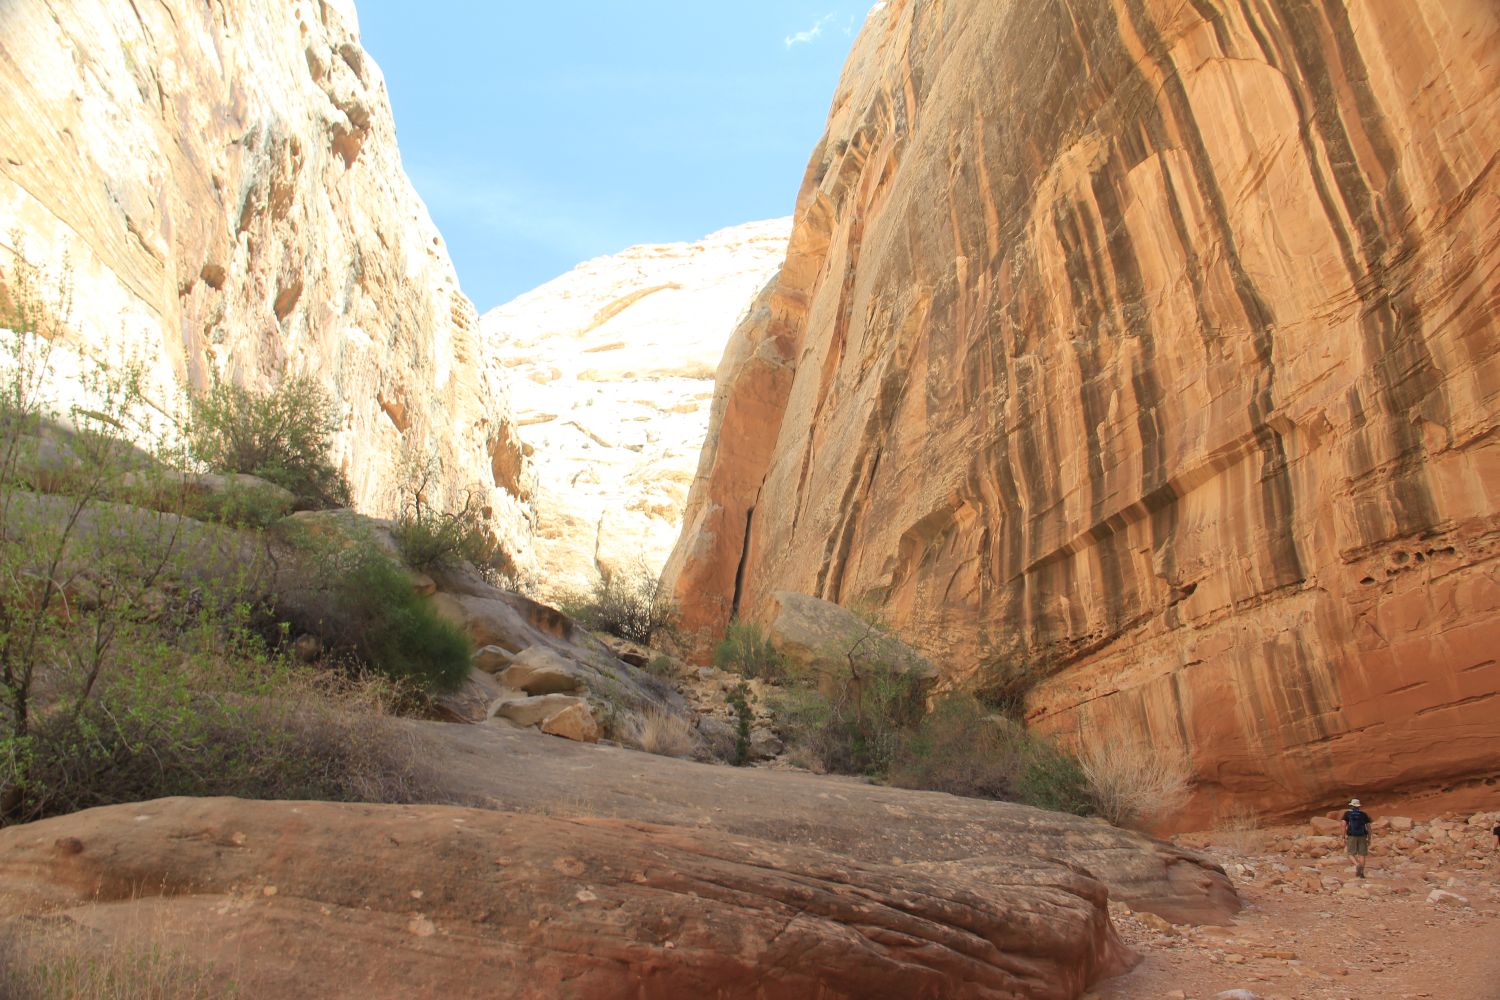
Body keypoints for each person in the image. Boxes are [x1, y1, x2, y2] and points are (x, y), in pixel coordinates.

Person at [1342, 798, 1372, 878]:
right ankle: (1361, 873)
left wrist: (1343, 836)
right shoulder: (1364, 814)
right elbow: (1368, 827)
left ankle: (1357, 864)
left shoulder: (1347, 814)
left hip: (1352, 835)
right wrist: (1369, 837)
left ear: (1351, 806)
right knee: (1362, 854)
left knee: (1350, 853)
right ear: (1359, 806)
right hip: (1362, 835)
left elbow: (1343, 825)